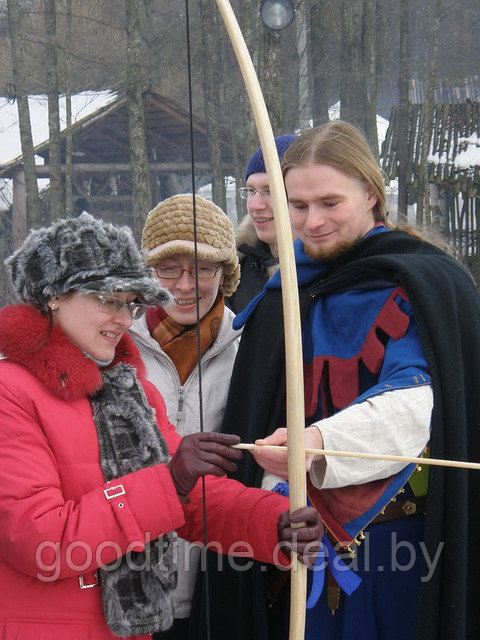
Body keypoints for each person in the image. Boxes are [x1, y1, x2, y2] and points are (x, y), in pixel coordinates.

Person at [201, 121, 480, 640]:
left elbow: (419, 401)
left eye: (331, 201)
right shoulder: (282, 296)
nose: (312, 220)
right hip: (293, 545)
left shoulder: (423, 283)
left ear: (371, 193)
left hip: (405, 547)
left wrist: (318, 443)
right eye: (298, 205)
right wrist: (271, 494)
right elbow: (259, 416)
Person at [0, 212, 323, 640]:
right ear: (54, 295)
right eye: (109, 300)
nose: (124, 318)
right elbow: (38, 541)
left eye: (131, 304)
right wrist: (169, 481)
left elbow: (186, 501)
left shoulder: (128, 389)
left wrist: (274, 524)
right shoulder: (9, 390)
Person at [129, 194, 241, 639]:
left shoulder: (249, 347)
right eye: (168, 268)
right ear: (147, 274)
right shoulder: (112, 343)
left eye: (204, 268)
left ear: (226, 273)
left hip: (218, 576)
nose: (185, 284)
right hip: (125, 580)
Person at [226, 133, 296, 314]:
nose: (255, 205)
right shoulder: (234, 269)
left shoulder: (325, 272)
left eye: (269, 190)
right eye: (251, 190)